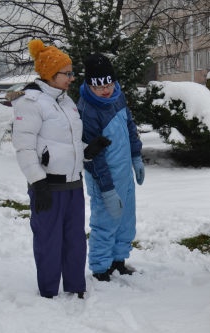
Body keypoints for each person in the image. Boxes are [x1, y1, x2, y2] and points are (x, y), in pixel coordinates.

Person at [11, 40, 101, 299]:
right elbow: (24, 147)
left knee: (75, 240)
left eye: (72, 73)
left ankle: (75, 286)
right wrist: (38, 182)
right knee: (48, 240)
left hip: (73, 184)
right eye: (67, 73)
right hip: (48, 186)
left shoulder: (67, 102)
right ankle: (49, 290)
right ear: (50, 74)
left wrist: (87, 151)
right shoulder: (30, 102)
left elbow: (67, 143)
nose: (72, 78)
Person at [78, 53, 145, 281]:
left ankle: (118, 261)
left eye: (109, 84)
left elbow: (129, 126)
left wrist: (136, 156)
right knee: (105, 223)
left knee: (126, 221)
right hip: (103, 178)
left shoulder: (118, 97)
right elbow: (93, 157)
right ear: (89, 85)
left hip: (124, 173)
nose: (106, 90)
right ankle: (100, 268)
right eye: (99, 87)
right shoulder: (87, 110)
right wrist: (106, 189)